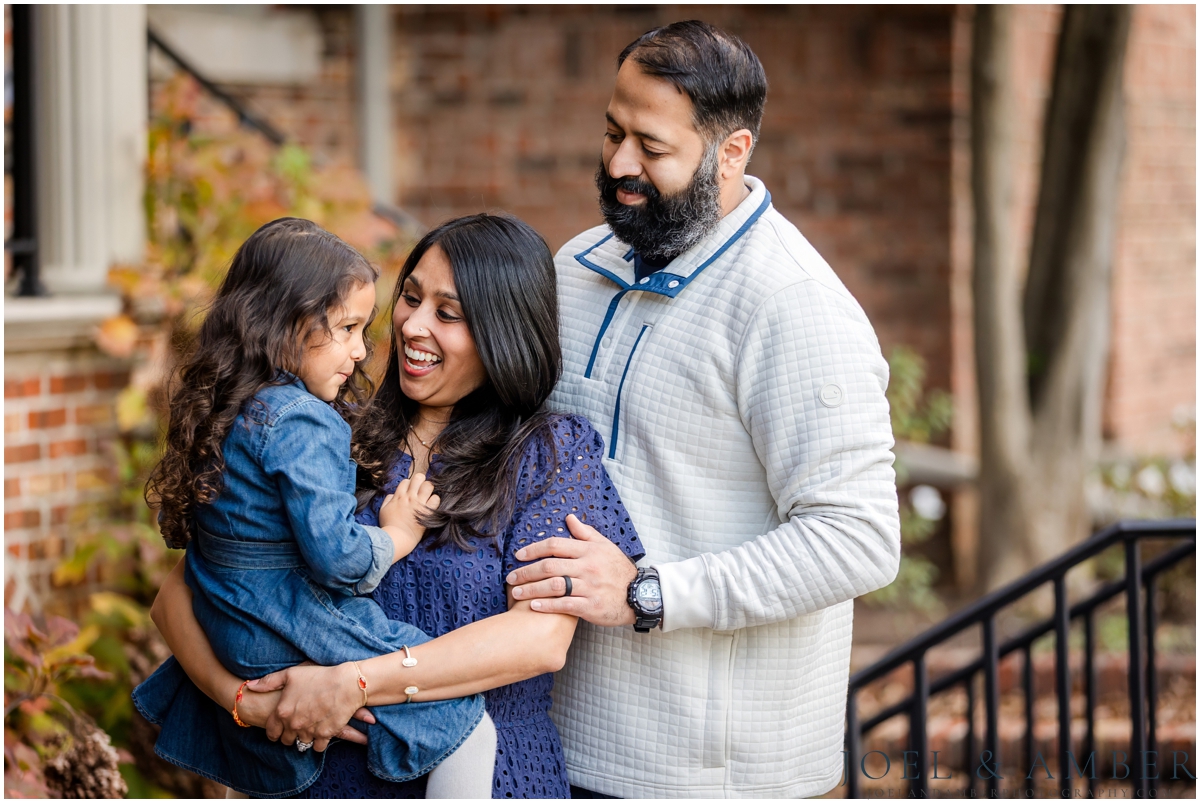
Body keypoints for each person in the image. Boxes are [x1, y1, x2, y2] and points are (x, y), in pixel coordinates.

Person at [502, 21, 902, 798]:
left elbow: (858, 537)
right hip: (548, 741)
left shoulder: (794, 306)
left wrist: (650, 592)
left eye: (651, 148)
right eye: (612, 132)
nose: (620, 164)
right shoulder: (573, 268)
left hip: (708, 772)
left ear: (733, 152)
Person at [147, 213, 645, 798]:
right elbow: (188, 589)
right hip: (323, 777)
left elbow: (538, 640)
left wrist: (353, 683)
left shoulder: (549, 455)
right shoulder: (332, 435)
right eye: (410, 298)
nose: (412, 325)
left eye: (448, 313)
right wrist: (242, 702)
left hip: (481, 773)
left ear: (502, 332)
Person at [132, 217, 496, 798]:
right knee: (466, 728)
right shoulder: (302, 419)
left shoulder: (228, 409)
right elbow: (336, 559)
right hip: (289, 625)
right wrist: (395, 534)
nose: (360, 351)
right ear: (285, 324)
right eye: (348, 329)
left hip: (230, 627)